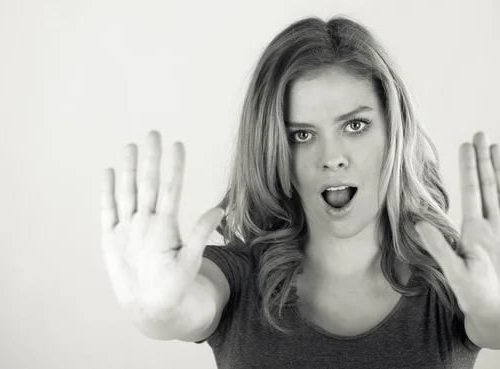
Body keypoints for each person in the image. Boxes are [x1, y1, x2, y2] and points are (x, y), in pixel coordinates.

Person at [100, 15, 500, 368]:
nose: (332, 157)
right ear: (274, 151)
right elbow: (184, 308)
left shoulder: (456, 277)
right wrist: (155, 312)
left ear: (393, 132)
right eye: (302, 135)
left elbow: (491, 324)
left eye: (355, 126)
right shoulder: (236, 276)